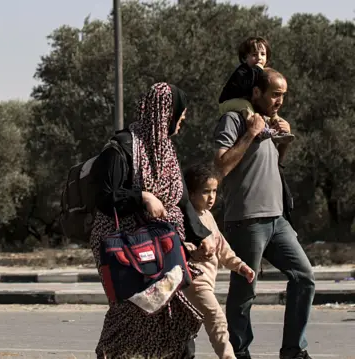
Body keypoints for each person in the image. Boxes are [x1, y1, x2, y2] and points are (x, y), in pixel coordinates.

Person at [90, 82, 206, 358]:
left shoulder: (166, 151)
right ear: (165, 114)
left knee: (174, 315)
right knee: (132, 312)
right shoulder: (121, 148)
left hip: (163, 247)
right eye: (181, 113)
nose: (184, 119)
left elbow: (181, 198)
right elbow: (105, 197)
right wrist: (142, 196)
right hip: (127, 251)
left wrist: (198, 236)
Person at [214, 68, 315, 359]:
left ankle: (294, 350)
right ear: (256, 92)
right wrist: (251, 134)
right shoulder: (234, 120)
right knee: (245, 291)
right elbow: (220, 167)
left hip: (277, 218)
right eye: (275, 95)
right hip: (246, 220)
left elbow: (271, 166)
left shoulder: (269, 122)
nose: (280, 101)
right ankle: (239, 352)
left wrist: (281, 143)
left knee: (305, 277)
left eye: (283, 96)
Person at [182, 163, 255, 359]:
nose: (211, 197)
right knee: (217, 318)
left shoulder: (207, 216)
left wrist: (240, 266)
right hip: (193, 281)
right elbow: (178, 245)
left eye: (214, 191)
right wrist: (192, 250)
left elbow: (222, 247)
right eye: (206, 191)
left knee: (184, 331)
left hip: (207, 281)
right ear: (191, 193)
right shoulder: (185, 218)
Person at [218, 36, 294, 144]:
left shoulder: (260, 72)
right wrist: (258, 69)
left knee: (271, 111)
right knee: (247, 107)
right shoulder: (243, 71)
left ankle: (279, 130)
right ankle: (259, 131)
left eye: (263, 54)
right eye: (254, 55)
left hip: (244, 101)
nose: (259, 58)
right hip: (228, 102)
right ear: (245, 58)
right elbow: (244, 86)